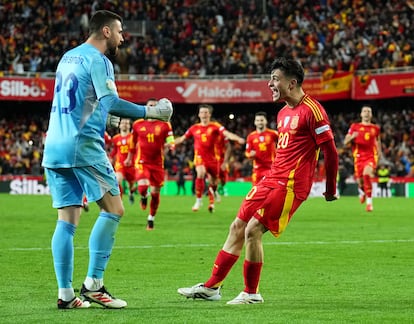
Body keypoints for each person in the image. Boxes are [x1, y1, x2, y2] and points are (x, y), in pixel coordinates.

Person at [177, 57, 338, 304]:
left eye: (275, 79)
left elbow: (331, 151)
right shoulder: (283, 112)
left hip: (291, 185)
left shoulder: (313, 111)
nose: (269, 84)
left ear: (292, 83)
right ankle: (212, 287)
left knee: (253, 230)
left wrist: (329, 189)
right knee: (237, 226)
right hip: (269, 179)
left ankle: (251, 293)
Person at [41, 10, 173, 309]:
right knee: (114, 209)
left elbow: (80, 101)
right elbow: (110, 100)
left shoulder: (68, 57)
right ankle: (94, 284)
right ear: (105, 31)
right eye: (120, 31)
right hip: (82, 146)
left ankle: (65, 294)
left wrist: (105, 119)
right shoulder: (100, 60)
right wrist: (152, 112)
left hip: (55, 145)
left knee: (67, 220)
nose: (123, 38)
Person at [174, 104, 245, 212]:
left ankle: (215, 192)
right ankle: (198, 200)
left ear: (210, 114)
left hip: (213, 159)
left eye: (206, 112)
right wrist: (169, 143)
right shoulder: (194, 128)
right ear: (198, 114)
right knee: (200, 173)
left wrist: (237, 138)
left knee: (214, 182)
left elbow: (226, 133)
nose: (204, 114)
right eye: (202, 112)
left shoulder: (215, 126)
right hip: (199, 157)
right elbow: (182, 138)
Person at [129, 98, 175, 230]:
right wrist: (129, 158)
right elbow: (132, 143)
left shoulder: (165, 124)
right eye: (151, 106)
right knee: (143, 187)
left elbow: (171, 139)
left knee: (155, 194)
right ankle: (143, 196)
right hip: (142, 161)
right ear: (146, 107)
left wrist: (171, 146)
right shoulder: (137, 124)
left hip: (157, 163)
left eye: (156, 106)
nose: (153, 108)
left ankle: (151, 218)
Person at [344, 105, 382, 211]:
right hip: (358, 158)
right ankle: (363, 192)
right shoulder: (354, 126)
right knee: (360, 182)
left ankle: (369, 203)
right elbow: (345, 141)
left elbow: (378, 142)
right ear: (361, 114)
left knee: (367, 175)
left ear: (371, 114)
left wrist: (379, 153)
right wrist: (352, 137)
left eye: (368, 111)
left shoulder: (375, 128)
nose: (366, 113)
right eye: (364, 111)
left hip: (371, 156)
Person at [245, 111, 278, 185]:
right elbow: (247, 153)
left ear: (266, 121)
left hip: (271, 168)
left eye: (262, 120)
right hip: (257, 169)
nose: (260, 122)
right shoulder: (251, 136)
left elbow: (283, 144)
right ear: (255, 122)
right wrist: (250, 155)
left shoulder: (273, 134)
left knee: (271, 192)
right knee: (256, 191)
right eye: (257, 120)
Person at [109, 118, 136, 204]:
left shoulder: (133, 137)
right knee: (117, 181)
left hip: (132, 165)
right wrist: (110, 158)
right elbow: (114, 151)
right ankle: (119, 202)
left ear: (129, 126)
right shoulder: (116, 138)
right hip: (120, 164)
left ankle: (131, 193)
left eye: (127, 123)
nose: (124, 124)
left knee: (131, 185)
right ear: (119, 125)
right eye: (123, 123)